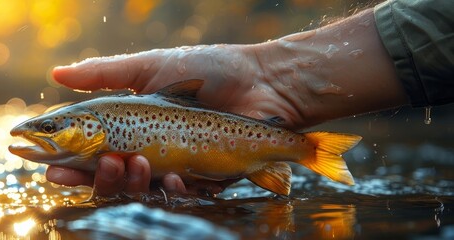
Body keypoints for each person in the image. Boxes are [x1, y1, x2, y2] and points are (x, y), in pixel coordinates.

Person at [45, 0, 454, 197]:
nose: (42, 134)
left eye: (49, 128)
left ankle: (306, 151)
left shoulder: (105, 125)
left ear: (89, 128)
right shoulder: (103, 131)